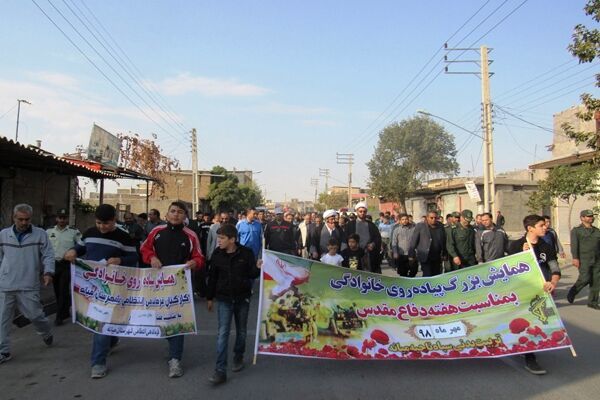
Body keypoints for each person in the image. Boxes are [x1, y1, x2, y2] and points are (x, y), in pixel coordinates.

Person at [63, 204, 138, 379]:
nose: (102, 227)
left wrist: (119, 259)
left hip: (113, 286)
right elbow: (80, 248)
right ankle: (111, 340)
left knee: (101, 322)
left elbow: (134, 257)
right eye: (99, 223)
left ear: (114, 220)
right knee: (96, 321)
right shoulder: (89, 233)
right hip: (90, 286)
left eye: (106, 223)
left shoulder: (124, 237)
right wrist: (72, 251)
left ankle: (98, 363)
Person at [140, 201, 205, 378]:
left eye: (180, 212)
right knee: (161, 319)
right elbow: (144, 248)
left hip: (180, 287)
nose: (176, 215)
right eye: (173, 211)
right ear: (167, 214)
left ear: (185, 216)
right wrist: (151, 257)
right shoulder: (156, 232)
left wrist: (194, 263)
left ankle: (175, 359)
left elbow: (199, 257)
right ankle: (171, 345)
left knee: (177, 321)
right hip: (157, 285)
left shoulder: (191, 235)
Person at [0, 204, 55, 364]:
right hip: (6, 284)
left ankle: (45, 332)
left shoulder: (40, 235)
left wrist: (48, 272)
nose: (24, 223)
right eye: (20, 219)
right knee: (3, 319)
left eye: (27, 219)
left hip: (29, 284)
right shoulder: (3, 235)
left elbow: (48, 255)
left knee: (35, 315)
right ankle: (3, 351)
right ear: (13, 218)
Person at [207, 224, 260, 385]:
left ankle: (238, 356)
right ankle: (220, 370)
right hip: (224, 299)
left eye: (222, 238)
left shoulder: (247, 253)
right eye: (218, 238)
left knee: (242, 331)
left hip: (242, 298)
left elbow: (251, 274)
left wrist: (257, 268)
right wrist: (210, 297)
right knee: (223, 333)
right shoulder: (217, 254)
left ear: (232, 239)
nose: (219, 241)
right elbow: (212, 277)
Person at [508, 214, 560, 375]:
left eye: (545, 225)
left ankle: (529, 351)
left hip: (541, 292)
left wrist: (553, 282)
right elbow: (507, 269)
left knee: (541, 321)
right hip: (520, 292)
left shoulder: (547, 246)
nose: (545, 227)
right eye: (541, 225)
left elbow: (555, 268)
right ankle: (529, 357)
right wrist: (519, 255)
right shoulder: (515, 245)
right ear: (530, 228)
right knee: (524, 323)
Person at [46, 208, 82, 325]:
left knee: (63, 289)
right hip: (54, 264)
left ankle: (59, 316)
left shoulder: (73, 232)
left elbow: (81, 245)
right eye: (60, 218)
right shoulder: (49, 231)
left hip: (66, 264)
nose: (62, 220)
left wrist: (74, 253)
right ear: (56, 218)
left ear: (67, 219)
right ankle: (65, 310)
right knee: (57, 290)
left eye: (64, 218)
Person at [567, 209, 600, 309]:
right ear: (582, 218)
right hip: (583, 258)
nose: (591, 218)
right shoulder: (576, 231)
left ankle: (593, 302)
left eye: (591, 216)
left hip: (597, 259)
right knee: (585, 278)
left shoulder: (597, 230)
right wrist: (575, 258)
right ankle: (573, 292)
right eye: (588, 216)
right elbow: (574, 245)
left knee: (596, 281)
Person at [344, 202, 382, 273]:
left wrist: (373, 244)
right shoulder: (350, 224)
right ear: (357, 212)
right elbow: (345, 239)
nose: (362, 213)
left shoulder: (371, 225)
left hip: (367, 254)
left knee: (368, 273)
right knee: (354, 273)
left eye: (364, 211)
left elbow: (377, 238)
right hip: (354, 254)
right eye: (360, 211)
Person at [408, 210, 446, 277]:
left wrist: (444, 253)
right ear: (427, 218)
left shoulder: (440, 226)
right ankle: (425, 287)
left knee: (436, 275)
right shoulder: (420, 226)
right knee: (427, 275)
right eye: (431, 218)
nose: (433, 219)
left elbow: (443, 240)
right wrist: (411, 255)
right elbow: (414, 241)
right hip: (425, 256)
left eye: (435, 218)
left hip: (437, 256)